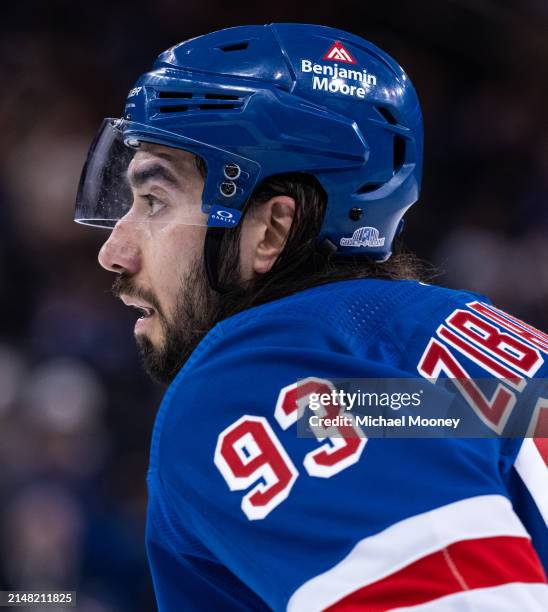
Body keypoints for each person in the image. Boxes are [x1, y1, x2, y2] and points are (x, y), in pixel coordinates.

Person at [75, 23, 548, 611]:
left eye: (154, 201)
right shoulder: (465, 348)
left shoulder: (255, 383)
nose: (113, 252)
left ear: (272, 229)